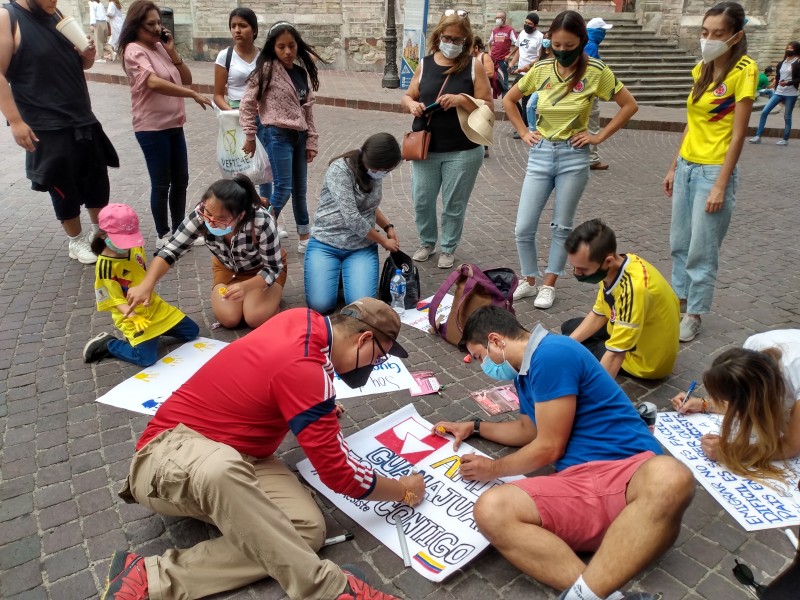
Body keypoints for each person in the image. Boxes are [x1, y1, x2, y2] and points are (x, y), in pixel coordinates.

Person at [101, 297, 423, 600]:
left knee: (306, 531)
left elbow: (281, 377)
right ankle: (327, 589)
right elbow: (339, 472)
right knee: (221, 469)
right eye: (378, 358)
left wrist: (317, 407)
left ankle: (148, 575)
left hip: (241, 456)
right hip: (166, 453)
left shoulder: (305, 322)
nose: (374, 367)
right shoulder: (303, 365)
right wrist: (402, 490)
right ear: (364, 339)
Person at [434, 306, 693, 600]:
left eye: (480, 356)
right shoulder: (525, 372)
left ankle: (589, 591)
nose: (485, 366)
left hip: (629, 473)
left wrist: (492, 469)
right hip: (582, 485)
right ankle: (602, 596)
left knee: (671, 474)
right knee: (491, 509)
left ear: (495, 340)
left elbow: (548, 446)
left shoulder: (552, 354)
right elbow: (527, 430)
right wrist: (474, 426)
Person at [504, 10, 637, 309]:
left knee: (561, 226)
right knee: (523, 226)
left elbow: (629, 106)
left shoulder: (597, 72)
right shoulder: (541, 69)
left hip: (574, 156)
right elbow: (508, 100)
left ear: (582, 41)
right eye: (557, 45)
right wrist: (524, 132)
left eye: (569, 45)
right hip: (541, 153)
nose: (562, 51)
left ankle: (549, 283)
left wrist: (598, 136)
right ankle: (529, 279)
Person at [0, 0, 119, 266]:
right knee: (62, 184)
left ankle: (98, 235)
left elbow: (79, 65)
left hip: (81, 117)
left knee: (96, 179)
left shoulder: (57, 14)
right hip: (45, 123)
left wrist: (86, 58)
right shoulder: (7, 17)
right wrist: (16, 121)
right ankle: (76, 241)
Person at [663, 2, 756, 342]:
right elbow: (692, 124)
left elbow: (738, 134)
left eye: (718, 33)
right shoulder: (701, 69)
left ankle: (695, 313)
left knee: (702, 248)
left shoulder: (743, 71)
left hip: (713, 171)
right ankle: (678, 300)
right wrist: (674, 165)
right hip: (688, 167)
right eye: (704, 33)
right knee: (679, 243)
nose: (709, 39)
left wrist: (720, 184)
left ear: (736, 35)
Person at [125, 175, 287, 329]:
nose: (211, 222)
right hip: (228, 270)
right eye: (208, 213)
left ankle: (270, 296)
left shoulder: (261, 221)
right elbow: (170, 250)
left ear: (241, 215)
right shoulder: (201, 214)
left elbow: (273, 267)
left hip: (263, 270)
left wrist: (246, 287)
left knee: (254, 317)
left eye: (221, 219)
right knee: (229, 319)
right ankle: (248, 295)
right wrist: (147, 285)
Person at [400, 10, 493, 269]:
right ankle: (427, 242)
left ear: (466, 41)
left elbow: (487, 104)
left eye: (458, 40)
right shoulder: (425, 63)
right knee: (422, 199)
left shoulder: (474, 66)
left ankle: (448, 247)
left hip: (463, 149)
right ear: (438, 36)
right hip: (426, 147)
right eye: (447, 37)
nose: (451, 43)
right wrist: (411, 105)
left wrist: (461, 99)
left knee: (454, 203)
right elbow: (408, 95)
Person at [119, 0, 212, 246]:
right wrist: (191, 95)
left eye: (159, 23)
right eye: (150, 24)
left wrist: (171, 51)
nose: (157, 28)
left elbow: (187, 79)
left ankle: (180, 231)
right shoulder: (133, 51)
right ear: (136, 25)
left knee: (181, 179)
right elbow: (152, 82)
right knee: (162, 183)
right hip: (151, 128)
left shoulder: (159, 47)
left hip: (173, 124)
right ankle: (163, 235)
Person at [671, 329, 800, 483]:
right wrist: (703, 404)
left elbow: (790, 446)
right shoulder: (753, 346)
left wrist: (733, 451)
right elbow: (744, 397)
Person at [561, 219, 680, 380]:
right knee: (569, 329)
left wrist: (596, 396)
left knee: (580, 348)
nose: (576, 273)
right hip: (635, 329)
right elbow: (599, 313)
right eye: (574, 266)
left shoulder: (634, 288)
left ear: (608, 261)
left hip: (645, 362)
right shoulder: (619, 265)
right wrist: (565, 346)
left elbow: (616, 354)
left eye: (583, 269)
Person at [83, 204, 199, 366]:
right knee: (146, 359)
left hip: (155, 308)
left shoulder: (135, 246)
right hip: (133, 316)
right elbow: (114, 300)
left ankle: (155, 333)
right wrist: (133, 317)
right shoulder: (105, 267)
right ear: (103, 235)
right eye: (122, 240)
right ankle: (109, 344)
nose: (128, 245)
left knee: (192, 332)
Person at [240, 21, 320, 254]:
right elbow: (247, 104)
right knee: (283, 187)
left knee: (300, 189)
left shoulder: (300, 73)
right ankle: (257, 230)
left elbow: (307, 110)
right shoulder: (266, 70)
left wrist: (312, 140)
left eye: (292, 46)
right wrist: (250, 136)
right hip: (277, 135)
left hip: (300, 136)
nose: (287, 52)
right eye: (281, 47)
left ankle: (304, 234)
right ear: (272, 48)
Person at [304, 133, 402, 314]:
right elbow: (352, 218)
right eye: (384, 168)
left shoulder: (375, 173)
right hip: (326, 243)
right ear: (373, 161)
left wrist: (388, 226)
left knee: (360, 307)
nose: (385, 173)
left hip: (360, 247)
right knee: (320, 305)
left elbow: (370, 206)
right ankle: (337, 273)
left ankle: (343, 273)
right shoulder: (340, 169)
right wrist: (383, 241)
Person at [213, 7, 280, 220]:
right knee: (239, 168)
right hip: (235, 119)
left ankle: (265, 216)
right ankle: (240, 215)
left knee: (265, 166)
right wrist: (234, 113)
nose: (237, 30)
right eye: (233, 26)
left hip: (262, 117)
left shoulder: (265, 57)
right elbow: (217, 95)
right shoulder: (226, 56)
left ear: (254, 29)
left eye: (242, 26)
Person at [749, 41, 799, 146]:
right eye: (788, 47)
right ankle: (758, 136)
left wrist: (788, 83)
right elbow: (778, 76)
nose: (789, 49)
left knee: (787, 116)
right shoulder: (782, 63)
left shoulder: (797, 63)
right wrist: (777, 87)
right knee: (764, 112)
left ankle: (785, 139)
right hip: (779, 92)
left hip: (791, 93)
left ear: (796, 50)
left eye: (791, 48)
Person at [585, 17, 614, 170]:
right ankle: (592, 159)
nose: (604, 35)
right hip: (589, 93)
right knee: (592, 126)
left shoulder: (584, 43)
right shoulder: (590, 46)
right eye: (603, 31)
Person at [508, 12, 543, 138]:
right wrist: (512, 62)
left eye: (530, 24)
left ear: (536, 26)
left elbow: (541, 57)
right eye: (526, 23)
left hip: (531, 73)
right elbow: (519, 50)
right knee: (509, 96)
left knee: (525, 101)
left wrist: (528, 66)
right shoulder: (522, 34)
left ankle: (523, 128)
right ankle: (524, 121)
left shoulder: (540, 37)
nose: (527, 25)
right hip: (520, 72)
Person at [488, 9, 516, 95]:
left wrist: (509, 55)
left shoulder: (510, 30)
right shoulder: (495, 30)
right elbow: (489, 42)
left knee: (504, 81)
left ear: (504, 19)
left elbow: (518, 43)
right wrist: (489, 52)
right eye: (496, 17)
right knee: (490, 80)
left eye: (498, 17)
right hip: (493, 59)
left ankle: (505, 101)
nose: (497, 19)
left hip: (502, 60)